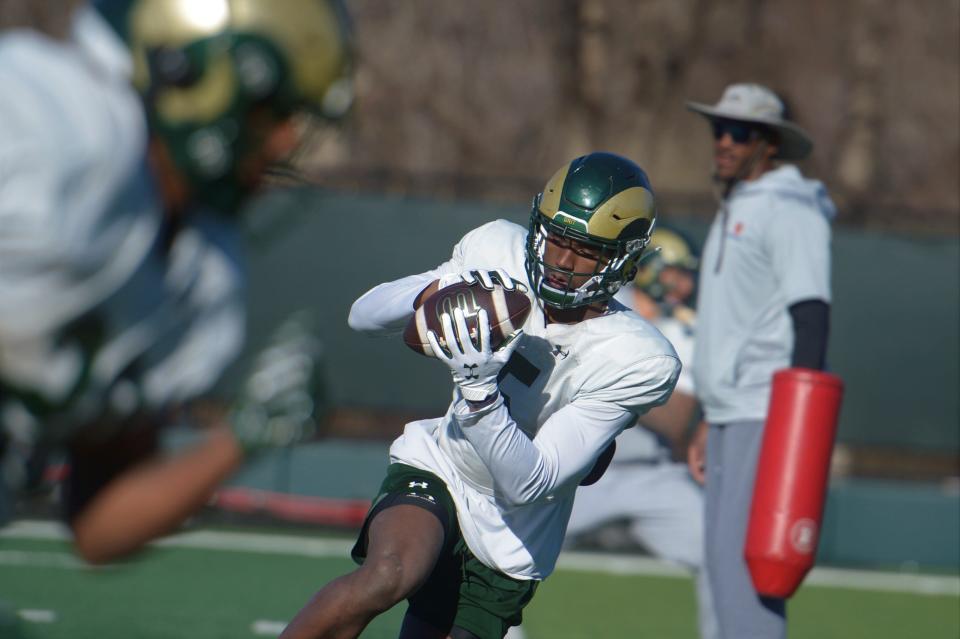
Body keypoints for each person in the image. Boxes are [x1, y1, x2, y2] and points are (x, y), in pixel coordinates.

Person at [0, 0, 351, 565]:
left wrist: (240, 437)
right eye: (273, 109)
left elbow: (100, 520)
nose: (287, 142)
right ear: (192, 73)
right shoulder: (48, 124)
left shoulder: (199, 276)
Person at [280, 152, 681, 639]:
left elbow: (529, 483)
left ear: (624, 257)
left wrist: (478, 391)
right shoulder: (498, 250)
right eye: (555, 238)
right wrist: (442, 292)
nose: (561, 261)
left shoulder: (638, 357)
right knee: (386, 576)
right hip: (444, 465)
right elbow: (363, 316)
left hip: (516, 530)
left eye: (586, 249)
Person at [685, 83, 836, 638]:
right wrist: (708, 415)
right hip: (730, 413)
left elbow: (812, 317)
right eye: (719, 129)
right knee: (724, 573)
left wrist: (797, 437)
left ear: (768, 143)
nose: (724, 140)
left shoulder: (792, 209)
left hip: (767, 415)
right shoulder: (739, 203)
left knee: (748, 577)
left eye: (739, 131)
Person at [561, 226, 718, 639]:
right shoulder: (605, 304)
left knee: (723, 555)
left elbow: (678, 417)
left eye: (688, 274)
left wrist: (621, 373)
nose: (684, 284)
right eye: (675, 271)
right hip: (577, 468)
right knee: (499, 553)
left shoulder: (686, 328)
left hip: (653, 473)